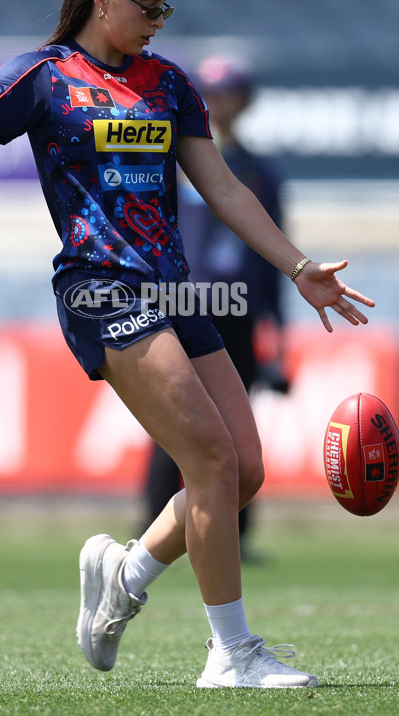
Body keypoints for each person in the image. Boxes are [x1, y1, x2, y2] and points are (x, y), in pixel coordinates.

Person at [0, 0, 374, 689]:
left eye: (166, 10)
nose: (158, 22)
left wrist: (297, 266)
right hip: (101, 286)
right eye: (148, 7)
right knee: (211, 459)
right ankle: (231, 652)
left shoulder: (168, 82)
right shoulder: (43, 77)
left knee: (244, 468)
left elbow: (220, 186)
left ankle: (125, 572)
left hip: (173, 286)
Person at [142, 54, 288, 559]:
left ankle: (235, 535)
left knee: (237, 421)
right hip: (182, 301)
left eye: (228, 92)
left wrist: (279, 336)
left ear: (245, 101)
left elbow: (273, 254)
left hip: (238, 310)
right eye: (210, 91)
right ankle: (151, 527)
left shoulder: (260, 173)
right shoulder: (174, 162)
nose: (218, 102)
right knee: (174, 421)